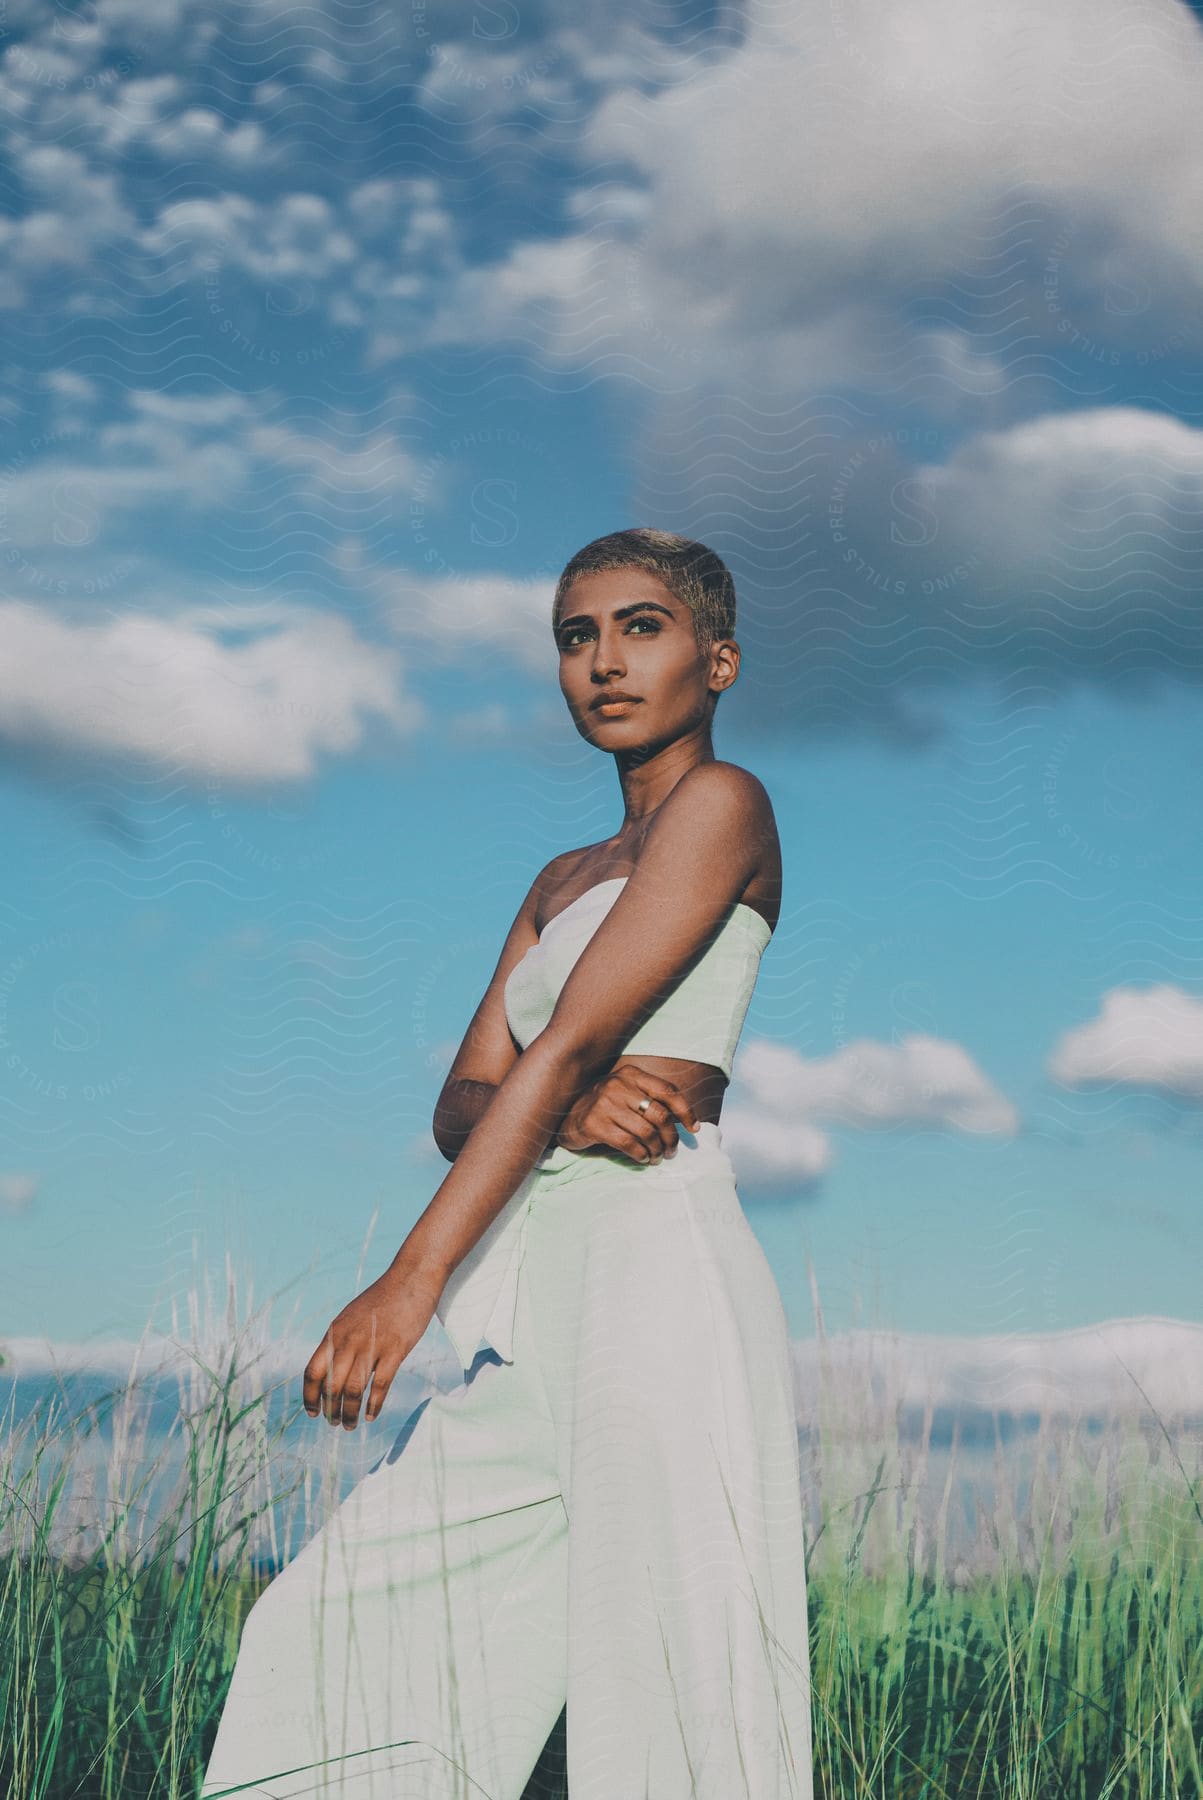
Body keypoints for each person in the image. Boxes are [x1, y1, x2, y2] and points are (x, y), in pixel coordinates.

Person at [200, 527, 814, 1799]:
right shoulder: (559, 876)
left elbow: (563, 1041)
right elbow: (461, 1098)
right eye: (576, 636)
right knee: (325, 1630)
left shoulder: (725, 803)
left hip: (658, 1269)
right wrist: (569, 1105)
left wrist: (407, 1282)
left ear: (722, 659)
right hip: (539, 1291)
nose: (603, 662)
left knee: (666, 1679)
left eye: (642, 628)